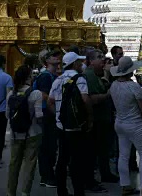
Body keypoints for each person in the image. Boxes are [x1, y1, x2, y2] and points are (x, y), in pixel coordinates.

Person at [109, 56, 142, 196]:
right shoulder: (133, 86)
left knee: (123, 154)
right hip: (134, 123)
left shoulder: (113, 85)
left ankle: (125, 185)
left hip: (119, 122)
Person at [49, 51, 93, 196]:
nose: (81, 65)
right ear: (74, 64)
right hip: (76, 126)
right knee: (77, 160)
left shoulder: (57, 80)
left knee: (62, 159)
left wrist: (58, 116)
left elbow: (50, 101)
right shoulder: (79, 79)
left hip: (61, 126)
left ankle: (61, 190)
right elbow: (85, 99)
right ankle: (78, 191)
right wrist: (89, 118)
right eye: (79, 62)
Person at [7, 65, 44, 196]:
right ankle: (25, 192)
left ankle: (10, 192)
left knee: (14, 163)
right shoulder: (36, 94)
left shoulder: (11, 94)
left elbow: (8, 115)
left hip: (16, 134)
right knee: (30, 164)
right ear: (29, 77)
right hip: (32, 133)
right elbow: (39, 115)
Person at [83, 49, 116, 191]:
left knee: (103, 148)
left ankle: (105, 173)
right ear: (90, 61)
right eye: (99, 57)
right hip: (95, 119)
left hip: (103, 118)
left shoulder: (100, 74)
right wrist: (107, 95)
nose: (103, 60)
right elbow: (92, 99)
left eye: (103, 57)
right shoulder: (89, 76)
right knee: (93, 151)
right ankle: (90, 180)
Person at [34, 50, 62, 188]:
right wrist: (56, 112)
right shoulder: (45, 76)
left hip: (50, 113)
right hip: (46, 114)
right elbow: (45, 95)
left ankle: (48, 175)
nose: (57, 58)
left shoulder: (52, 75)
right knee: (47, 146)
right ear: (46, 61)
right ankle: (47, 176)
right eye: (53, 56)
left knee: (50, 146)